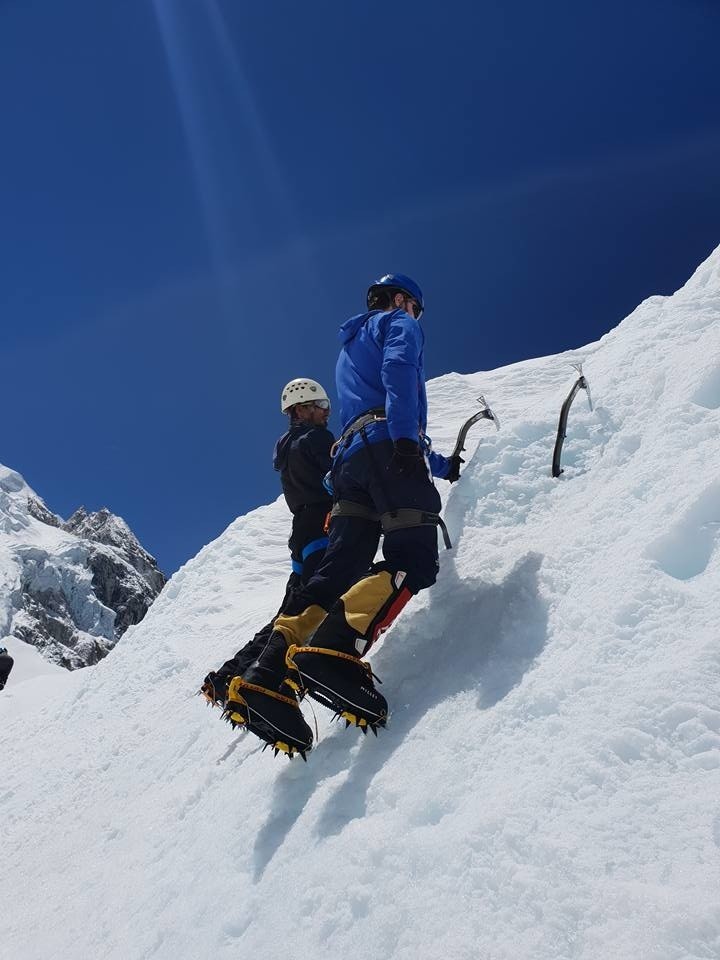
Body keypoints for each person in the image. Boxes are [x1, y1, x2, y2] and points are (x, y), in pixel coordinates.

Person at [224, 273, 462, 758]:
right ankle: (333, 651)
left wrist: (437, 465)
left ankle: (268, 673)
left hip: (352, 462)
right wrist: (404, 439)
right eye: (415, 307)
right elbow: (398, 378)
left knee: (338, 571)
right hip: (385, 446)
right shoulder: (398, 322)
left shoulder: (348, 350)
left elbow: (363, 417)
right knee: (414, 559)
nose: (415, 316)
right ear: (400, 300)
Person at [200, 379, 337, 707]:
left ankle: (226, 679)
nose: (326, 414)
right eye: (321, 407)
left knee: (287, 612)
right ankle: (263, 681)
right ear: (303, 408)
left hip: (300, 534)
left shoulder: (287, 447)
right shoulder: (318, 439)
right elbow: (338, 478)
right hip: (322, 526)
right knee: (315, 604)